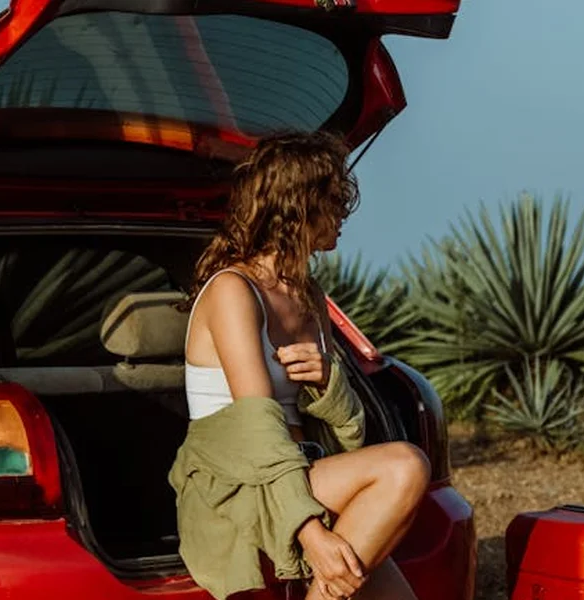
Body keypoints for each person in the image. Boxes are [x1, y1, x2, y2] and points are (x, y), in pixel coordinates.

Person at [169, 131, 431, 600]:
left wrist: (331, 383)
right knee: (404, 466)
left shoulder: (307, 297)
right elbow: (255, 432)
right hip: (236, 480)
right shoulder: (234, 290)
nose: (343, 215)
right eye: (333, 201)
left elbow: (349, 435)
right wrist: (314, 535)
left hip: (304, 470)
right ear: (298, 207)